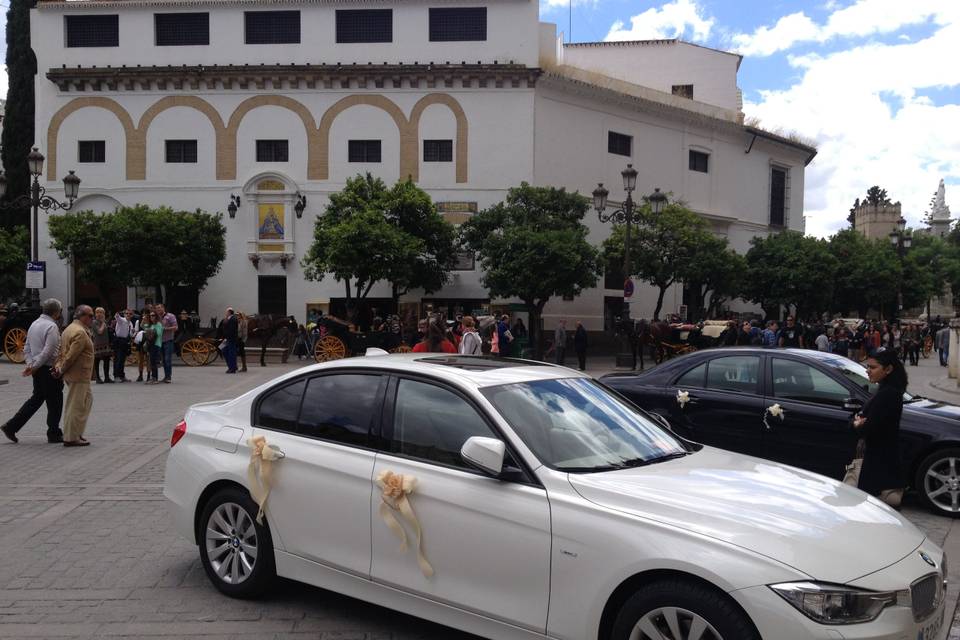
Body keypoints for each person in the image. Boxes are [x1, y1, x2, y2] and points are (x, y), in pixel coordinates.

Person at [1, 298, 66, 444]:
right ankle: (53, 433)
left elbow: (27, 348)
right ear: (56, 312)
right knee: (55, 401)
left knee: (36, 399)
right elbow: (49, 352)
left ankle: (11, 426)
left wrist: (31, 365)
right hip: (47, 368)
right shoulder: (51, 326)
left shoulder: (34, 324)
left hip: (38, 369)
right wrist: (34, 366)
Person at [852, 347, 908, 508]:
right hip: (880, 458)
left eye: (873, 367)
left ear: (889, 369)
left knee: (873, 508)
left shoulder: (888, 394)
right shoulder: (886, 390)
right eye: (867, 367)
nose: (868, 371)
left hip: (879, 463)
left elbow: (869, 427)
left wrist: (857, 423)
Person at [56, 304, 95, 447]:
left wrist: (60, 367)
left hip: (78, 374)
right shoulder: (79, 332)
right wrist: (60, 369)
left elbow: (62, 352)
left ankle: (76, 432)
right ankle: (71, 437)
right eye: (90, 316)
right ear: (82, 316)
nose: (92, 318)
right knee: (76, 406)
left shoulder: (70, 329)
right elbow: (70, 356)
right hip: (78, 374)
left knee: (86, 401)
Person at [157, 303, 178, 383]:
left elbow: (176, 327)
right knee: (163, 360)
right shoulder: (157, 317)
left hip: (168, 340)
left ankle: (168, 377)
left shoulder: (170, 316)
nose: (158, 310)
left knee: (167, 359)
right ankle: (166, 376)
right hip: (159, 341)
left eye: (159, 308)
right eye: (157, 308)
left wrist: (165, 329)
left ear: (163, 308)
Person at [92, 307, 113, 384]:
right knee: (97, 361)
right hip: (98, 344)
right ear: (95, 314)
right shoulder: (94, 322)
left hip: (106, 344)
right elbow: (99, 331)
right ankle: (97, 377)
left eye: (101, 312)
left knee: (107, 360)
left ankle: (107, 377)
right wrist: (104, 323)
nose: (99, 314)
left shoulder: (104, 322)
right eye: (98, 312)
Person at [141, 311, 163, 384]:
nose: (151, 317)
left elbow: (159, 334)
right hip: (150, 345)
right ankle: (153, 377)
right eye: (150, 316)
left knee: (153, 362)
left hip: (156, 344)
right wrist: (144, 320)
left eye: (153, 315)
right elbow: (142, 326)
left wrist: (150, 331)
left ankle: (155, 378)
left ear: (156, 316)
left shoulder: (158, 324)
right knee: (151, 362)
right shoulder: (151, 325)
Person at [112, 309, 133, 382]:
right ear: (124, 314)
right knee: (118, 359)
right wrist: (117, 314)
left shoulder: (130, 323)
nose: (128, 315)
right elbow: (117, 317)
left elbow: (130, 334)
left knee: (122, 359)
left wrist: (133, 333)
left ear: (132, 315)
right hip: (118, 340)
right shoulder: (122, 320)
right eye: (126, 313)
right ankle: (116, 376)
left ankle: (122, 375)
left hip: (125, 341)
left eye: (130, 314)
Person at [221, 308, 239, 373]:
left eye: (226, 312)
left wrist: (226, 337)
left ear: (229, 312)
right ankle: (233, 367)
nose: (225, 313)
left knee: (231, 353)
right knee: (223, 350)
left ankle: (232, 368)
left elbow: (231, 330)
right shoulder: (229, 319)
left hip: (230, 339)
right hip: (228, 338)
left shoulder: (233, 319)